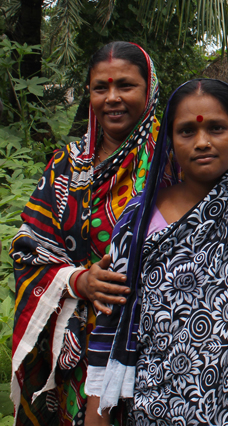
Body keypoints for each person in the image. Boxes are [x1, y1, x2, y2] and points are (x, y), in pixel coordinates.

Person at [84, 79, 228, 426]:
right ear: (170, 139)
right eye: (185, 132)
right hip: (156, 410)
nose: (202, 143)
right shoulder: (139, 220)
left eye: (216, 128)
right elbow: (112, 326)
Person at [10, 41, 160, 425]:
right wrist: (78, 280)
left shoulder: (173, 158)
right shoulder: (67, 165)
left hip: (157, 343)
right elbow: (28, 249)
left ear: (149, 90)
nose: (112, 98)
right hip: (78, 346)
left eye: (126, 86)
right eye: (100, 88)